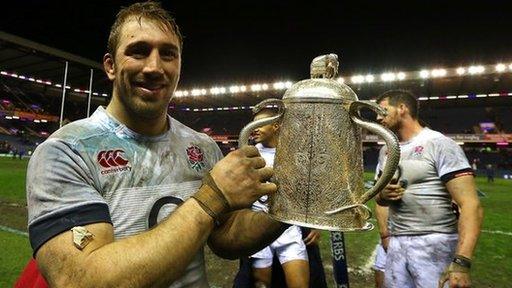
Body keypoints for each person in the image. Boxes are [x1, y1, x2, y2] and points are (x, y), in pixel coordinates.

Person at [20, 2, 287, 287]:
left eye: (168, 54)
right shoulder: (66, 151)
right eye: (138, 51)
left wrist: (294, 209)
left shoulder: (202, 146)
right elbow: (80, 279)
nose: (154, 67)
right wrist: (212, 199)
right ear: (110, 66)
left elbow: (225, 236)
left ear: (180, 66)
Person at [374, 89, 483, 288]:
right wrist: (383, 195)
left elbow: (470, 204)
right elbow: (379, 199)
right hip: (397, 242)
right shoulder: (385, 151)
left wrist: (461, 262)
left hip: (435, 242)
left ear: (402, 108)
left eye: (382, 110)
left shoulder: (439, 144)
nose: (377, 117)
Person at [248, 107, 309, 287]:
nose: (255, 128)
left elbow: (305, 190)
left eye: (260, 124)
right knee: (261, 284)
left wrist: (313, 224)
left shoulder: (293, 154)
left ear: (276, 126)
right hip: (259, 229)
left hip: (288, 229)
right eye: (253, 124)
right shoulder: (250, 154)